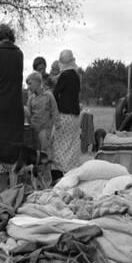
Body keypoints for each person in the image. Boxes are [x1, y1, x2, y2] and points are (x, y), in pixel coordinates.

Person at [0, 24, 24, 162]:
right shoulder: (19, 53)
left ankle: (1, 181)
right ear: (11, 37)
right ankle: (15, 177)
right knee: (14, 141)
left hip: (0, 103)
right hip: (16, 105)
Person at [51, 49, 82, 180]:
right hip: (75, 115)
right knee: (72, 145)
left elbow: (55, 93)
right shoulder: (76, 76)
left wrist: (55, 109)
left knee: (59, 145)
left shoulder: (64, 76)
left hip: (64, 114)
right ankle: (71, 173)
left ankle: (58, 174)